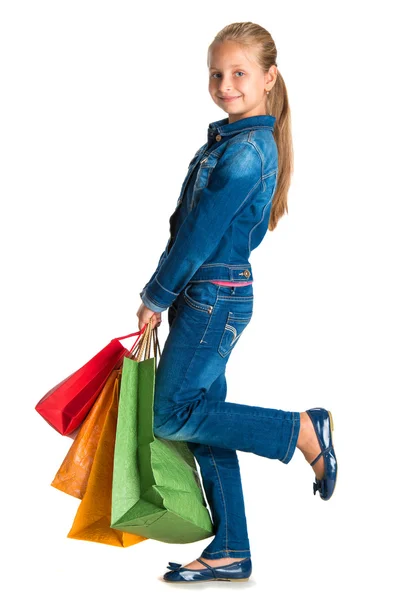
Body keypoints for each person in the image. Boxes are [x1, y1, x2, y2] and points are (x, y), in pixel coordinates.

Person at [136, 22, 338, 584]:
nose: (226, 84)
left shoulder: (247, 152)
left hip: (212, 298)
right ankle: (231, 550)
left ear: (269, 78)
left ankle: (299, 430)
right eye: (217, 74)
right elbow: (188, 231)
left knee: (170, 415)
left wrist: (155, 295)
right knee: (204, 423)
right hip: (207, 295)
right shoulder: (228, 142)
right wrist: (166, 291)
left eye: (239, 73)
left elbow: (199, 235)